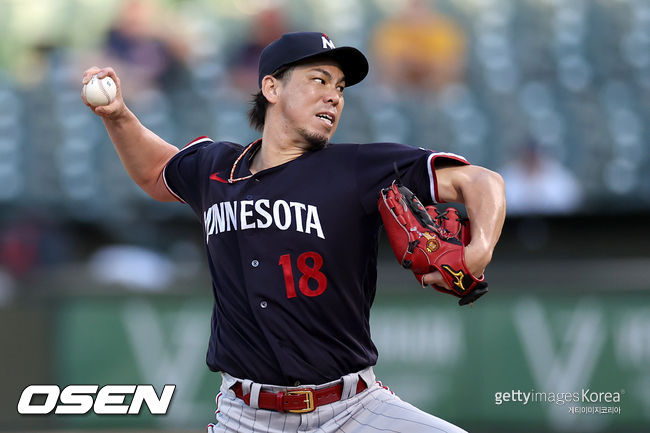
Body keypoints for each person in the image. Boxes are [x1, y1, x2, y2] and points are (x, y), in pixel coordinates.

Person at [82, 31, 505, 433]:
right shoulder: (215, 169)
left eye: (340, 88)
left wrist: (478, 251)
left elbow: (481, 181)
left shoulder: (357, 168)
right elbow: (157, 171)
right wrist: (118, 116)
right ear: (271, 88)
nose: (333, 96)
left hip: (353, 410)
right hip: (245, 416)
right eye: (318, 80)